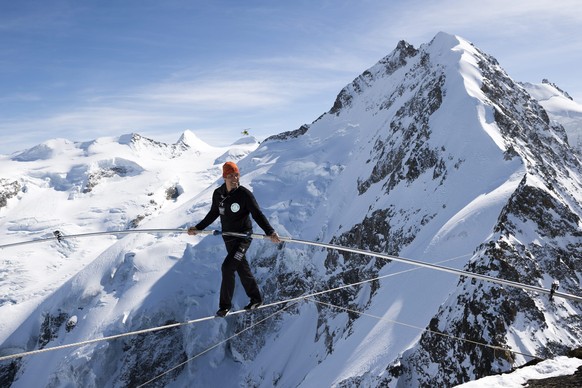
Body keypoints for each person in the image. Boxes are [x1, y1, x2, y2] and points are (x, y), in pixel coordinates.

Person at [188, 161, 281, 317]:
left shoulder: (244, 195)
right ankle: (256, 298)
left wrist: (270, 231)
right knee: (241, 268)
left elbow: (257, 214)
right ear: (224, 177)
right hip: (228, 238)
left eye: (236, 175)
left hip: (243, 238)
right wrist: (198, 228)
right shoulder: (218, 194)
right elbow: (213, 213)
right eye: (230, 176)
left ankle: (225, 306)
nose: (234, 178)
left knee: (227, 267)